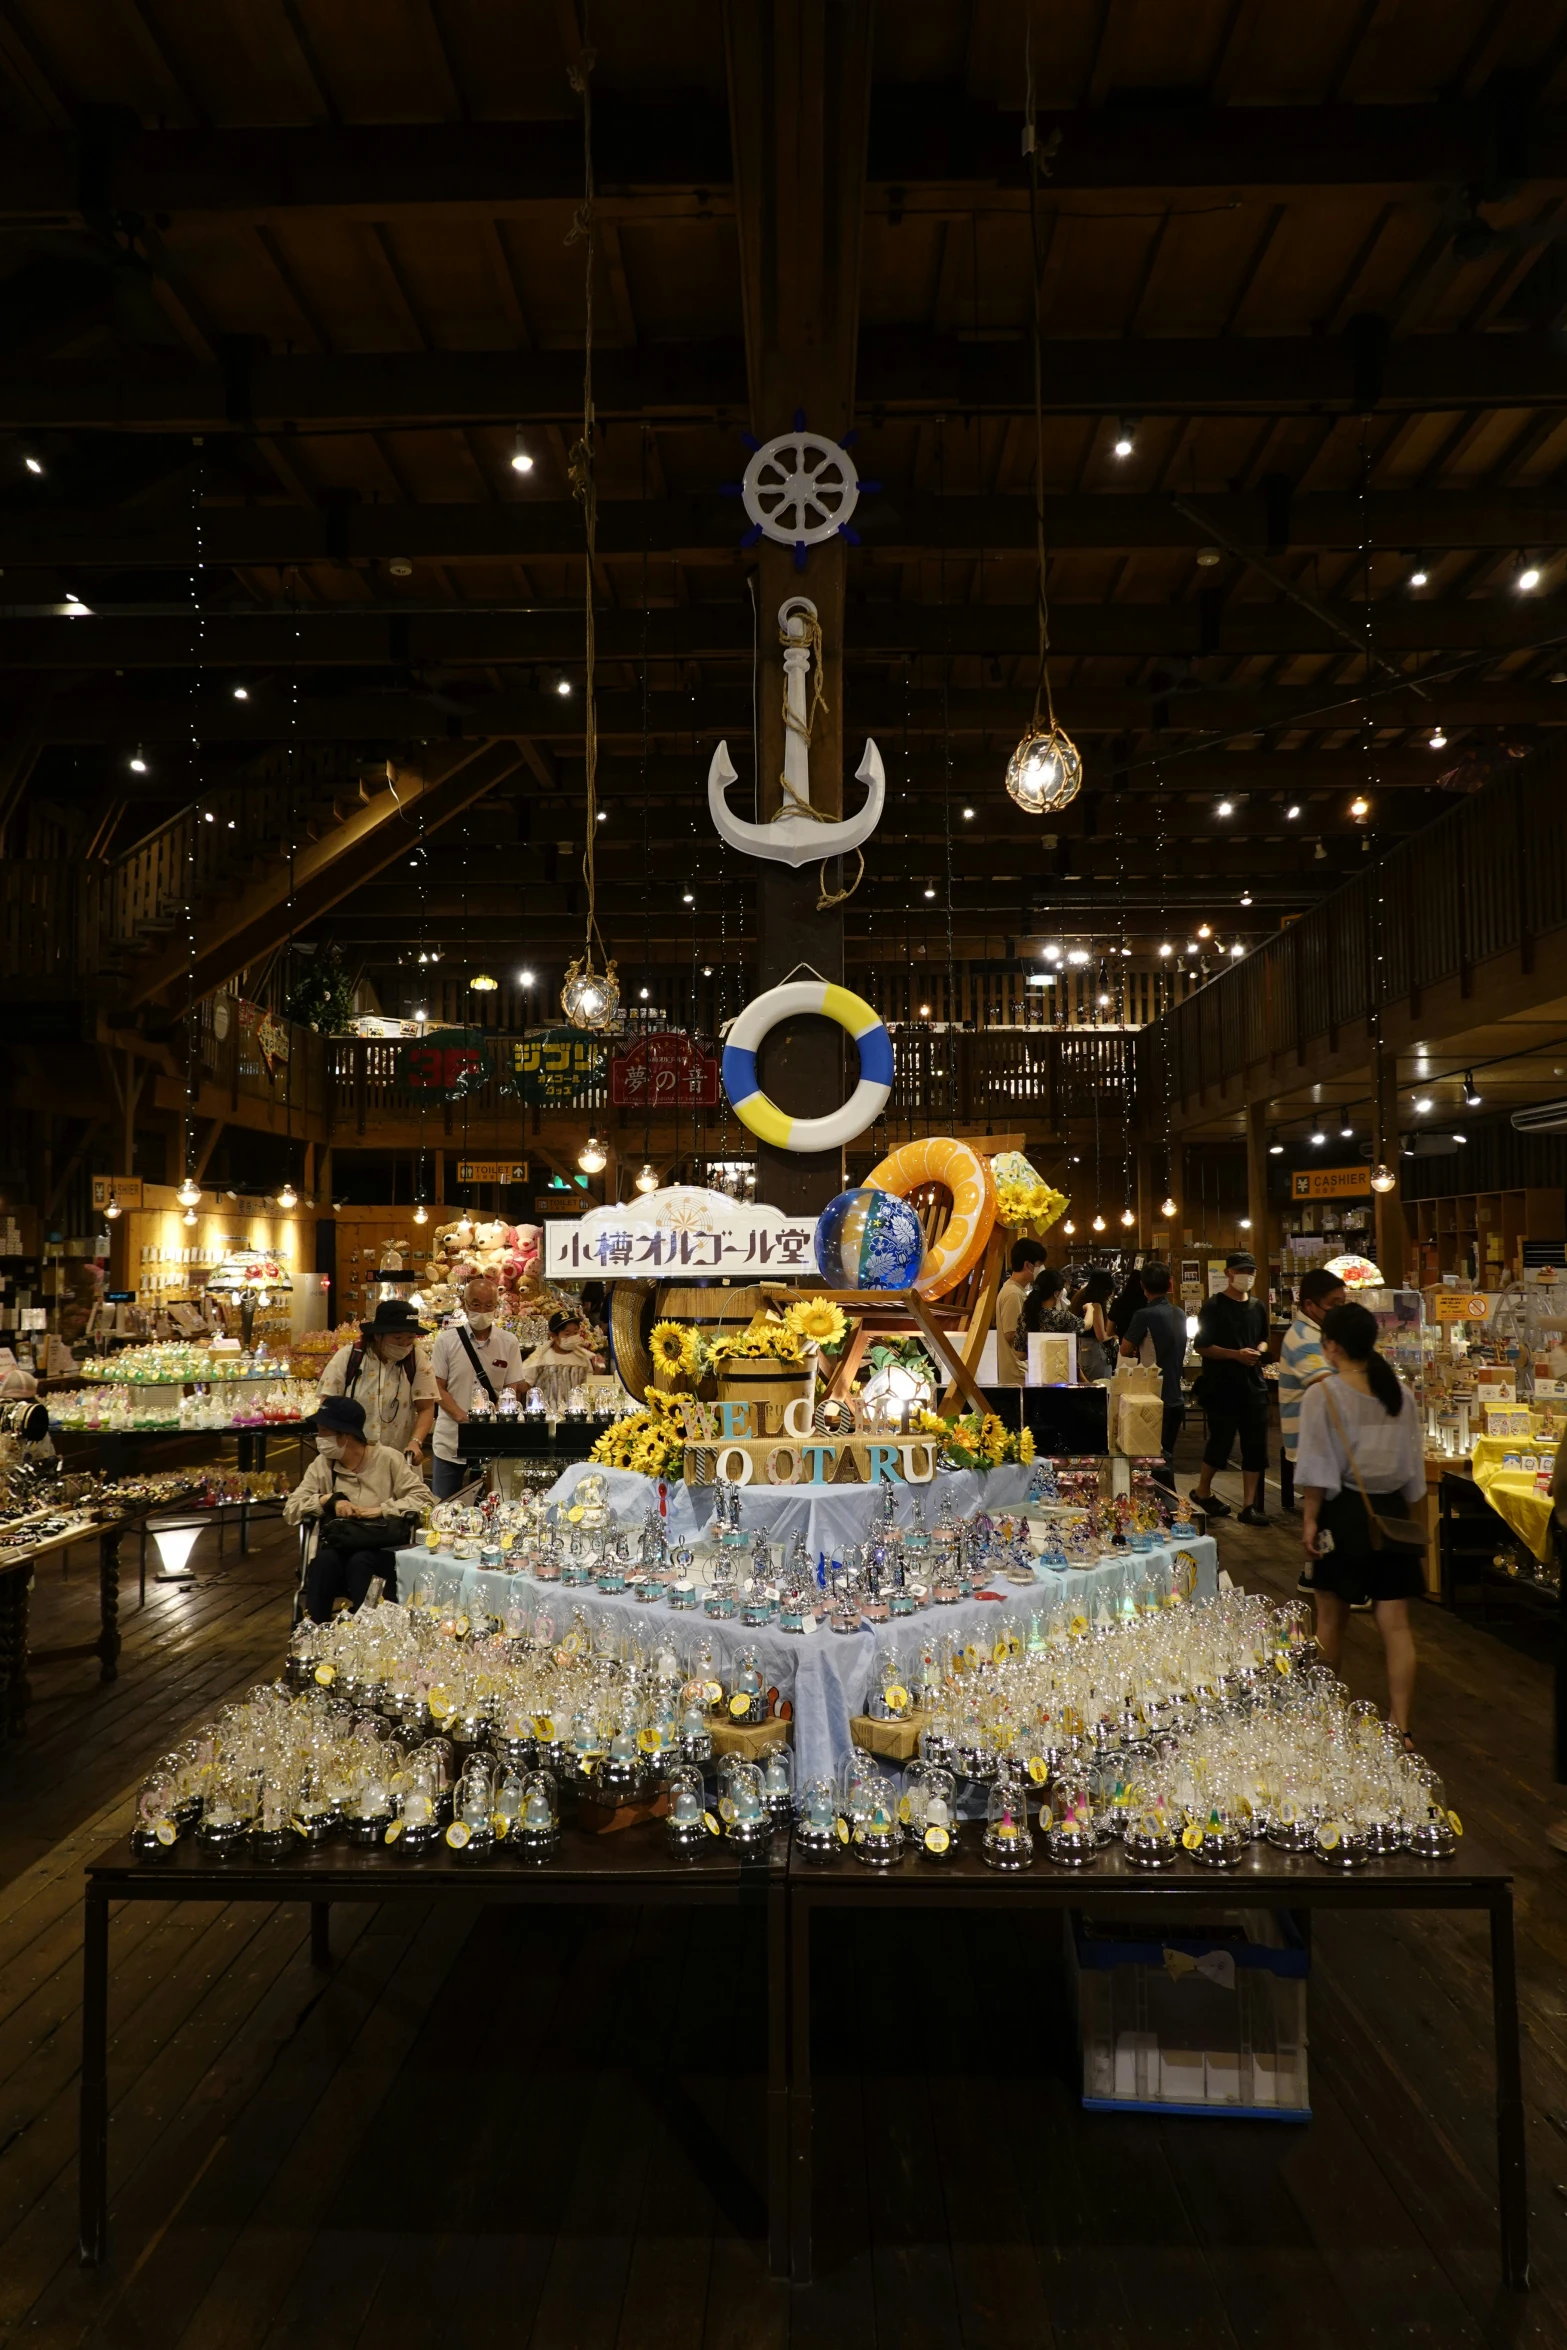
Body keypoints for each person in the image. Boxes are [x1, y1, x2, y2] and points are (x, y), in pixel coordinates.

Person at [1296, 1301, 1427, 1741]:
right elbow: (1414, 1470)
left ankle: (1325, 1719)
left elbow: (1316, 1468)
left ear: (1332, 1345)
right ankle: (1402, 1725)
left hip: (1345, 1513)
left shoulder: (1324, 1393)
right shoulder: (1399, 1394)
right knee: (1396, 1625)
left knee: (1330, 1621)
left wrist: (1309, 1521)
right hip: (1392, 1514)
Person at [285, 1393, 428, 1622]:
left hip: (381, 1548)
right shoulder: (323, 1465)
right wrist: (326, 1500)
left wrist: (381, 1510)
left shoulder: (388, 1459)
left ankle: (368, 1633)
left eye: (323, 1431)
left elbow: (424, 1499)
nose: (318, 1438)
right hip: (341, 1546)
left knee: (361, 1562)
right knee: (323, 1561)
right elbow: (291, 1509)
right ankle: (313, 1632)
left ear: (345, 1436)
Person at [1277, 1270, 1347, 1589]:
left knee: (1320, 1512)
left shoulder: (1320, 1333)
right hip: (1311, 1439)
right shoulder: (1302, 1337)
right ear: (1310, 1304)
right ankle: (1325, 1577)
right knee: (1323, 1513)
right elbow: (1327, 1386)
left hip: (1320, 1439)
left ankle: (1314, 1574)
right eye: (1334, 1304)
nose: (1340, 1310)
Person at [429, 1278, 528, 1500]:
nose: (482, 1310)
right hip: (450, 1440)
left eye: (488, 1305)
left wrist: (496, 1421)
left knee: (492, 1506)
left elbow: (511, 1390)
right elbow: (436, 1387)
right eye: (475, 1304)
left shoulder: (508, 1342)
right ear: (464, 1305)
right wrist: (462, 1418)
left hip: (491, 1441)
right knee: (444, 1506)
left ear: (496, 1306)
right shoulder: (446, 1341)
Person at [1190, 1250, 1270, 1525]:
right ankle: (1202, 1491)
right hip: (1222, 1386)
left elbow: (1264, 1339)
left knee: (1255, 1445)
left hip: (1254, 1386)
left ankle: (1249, 1506)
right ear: (1228, 1273)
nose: (1247, 1277)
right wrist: (1235, 1354)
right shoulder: (1214, 1306)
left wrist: (1258, 1350)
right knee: (1220, 1442)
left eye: (1251, 1272)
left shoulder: (1258, 1307)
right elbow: (1201, 1346)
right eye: (1242, 1272)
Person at [316, 1298, 437, 1465]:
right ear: (378, 1335)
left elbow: (426, 1407)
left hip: (398, 1458)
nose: (404, 1344)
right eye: (397, 1338)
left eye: (410, 1338)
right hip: (351, 1458)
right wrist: (330, 1444)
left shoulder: (417, 1359)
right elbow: (327, 1405)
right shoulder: (349, 1357)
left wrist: (415, 1442)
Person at [1118, 1261, 1187, 1491]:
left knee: (1152, 1460)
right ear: (1169, 1284)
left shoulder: (1144, 1314)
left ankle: (1163, 1509)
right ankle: (1172, 1506)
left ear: (1142, 1286)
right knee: (1166, 1456)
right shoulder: (1179, 1313)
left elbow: (1125, 1349)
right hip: (1176, 1397)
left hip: (1152, 1398)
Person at [521, 1310, 605, 1414]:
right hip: (547, 1417)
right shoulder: (541, 1357)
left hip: (575, 1417)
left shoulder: (583, 1358)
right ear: (553, 1336)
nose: (572, 1337)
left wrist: (598, 1371)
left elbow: (589, 1390)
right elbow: (524, 1385)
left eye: (575, 1332)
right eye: (567, 1334)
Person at [993, 1238, 1049, 1386]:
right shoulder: (1014, 1293)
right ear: (1028, 1265)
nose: (1041, 1269)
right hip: (1018, 1374)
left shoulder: (1016, 1290)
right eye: (1039, 1265)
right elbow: (1011, 1333)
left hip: (1020, 1372)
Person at [1070, 1267, 1116, 1383]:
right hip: (1095, 1353)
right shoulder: (1095, 1305)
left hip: (1081, 1349)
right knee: (1101, 1390)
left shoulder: (1079, 1297)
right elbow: (1101, 1336)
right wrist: (1114, 1334)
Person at [1109, 1265, 1148, 1342]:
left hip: (1123, 1346)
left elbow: (1109, 1331)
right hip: (1143, 1347)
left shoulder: (1118, 1302)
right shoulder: (1147, 1304)